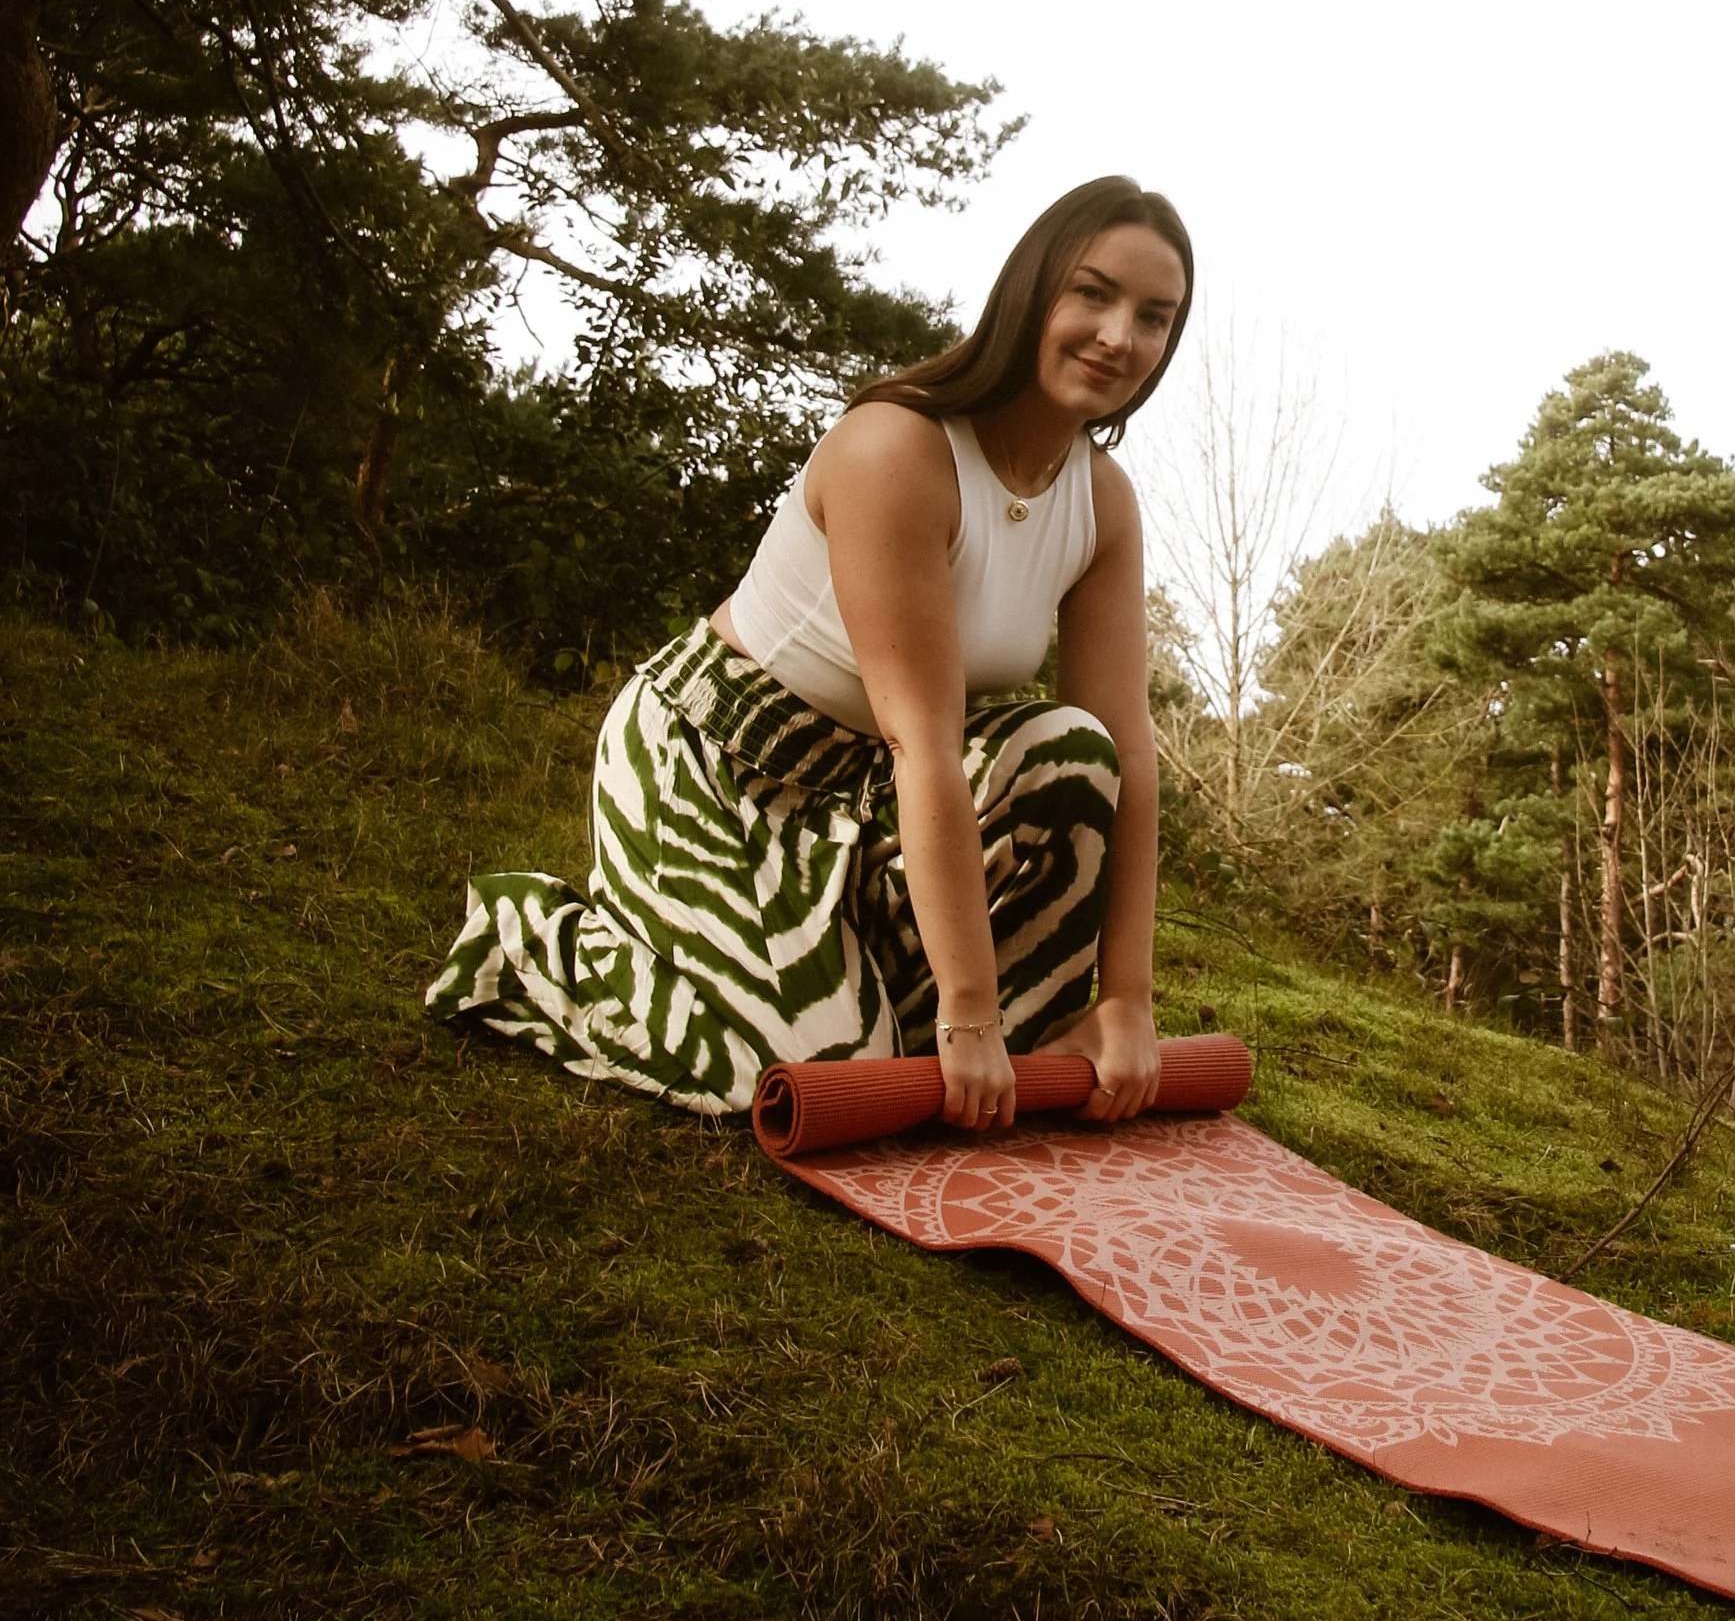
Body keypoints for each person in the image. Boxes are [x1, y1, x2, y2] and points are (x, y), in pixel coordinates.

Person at [425, 177, 1192, 1131]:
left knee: (1073, 746)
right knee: (823, 1069)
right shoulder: (897, 449)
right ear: (1031, 292)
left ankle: (888, 983)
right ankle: (542, 942)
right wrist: (965, 1011)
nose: (1121, 335)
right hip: (719, 763)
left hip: (874, 797)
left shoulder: (1102, 501)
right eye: (1092, 293)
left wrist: (1125, 999)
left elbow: (1126, 751)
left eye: (1154, 317)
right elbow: (924, 739)